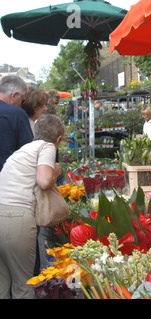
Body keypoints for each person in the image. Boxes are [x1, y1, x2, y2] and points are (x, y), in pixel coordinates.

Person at [0, 114, 64, 299]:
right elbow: (44, 181)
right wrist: (56, 171)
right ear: (58, 139)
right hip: (16, 218)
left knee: (2, 285)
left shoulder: (24, 150)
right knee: (24, 286)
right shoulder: (47, 146)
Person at [0, 75, 34, 171]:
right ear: (14, 95)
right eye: (22, 100)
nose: (22, 105)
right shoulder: (16, 113)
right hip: (8, 176)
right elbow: (28, 150)